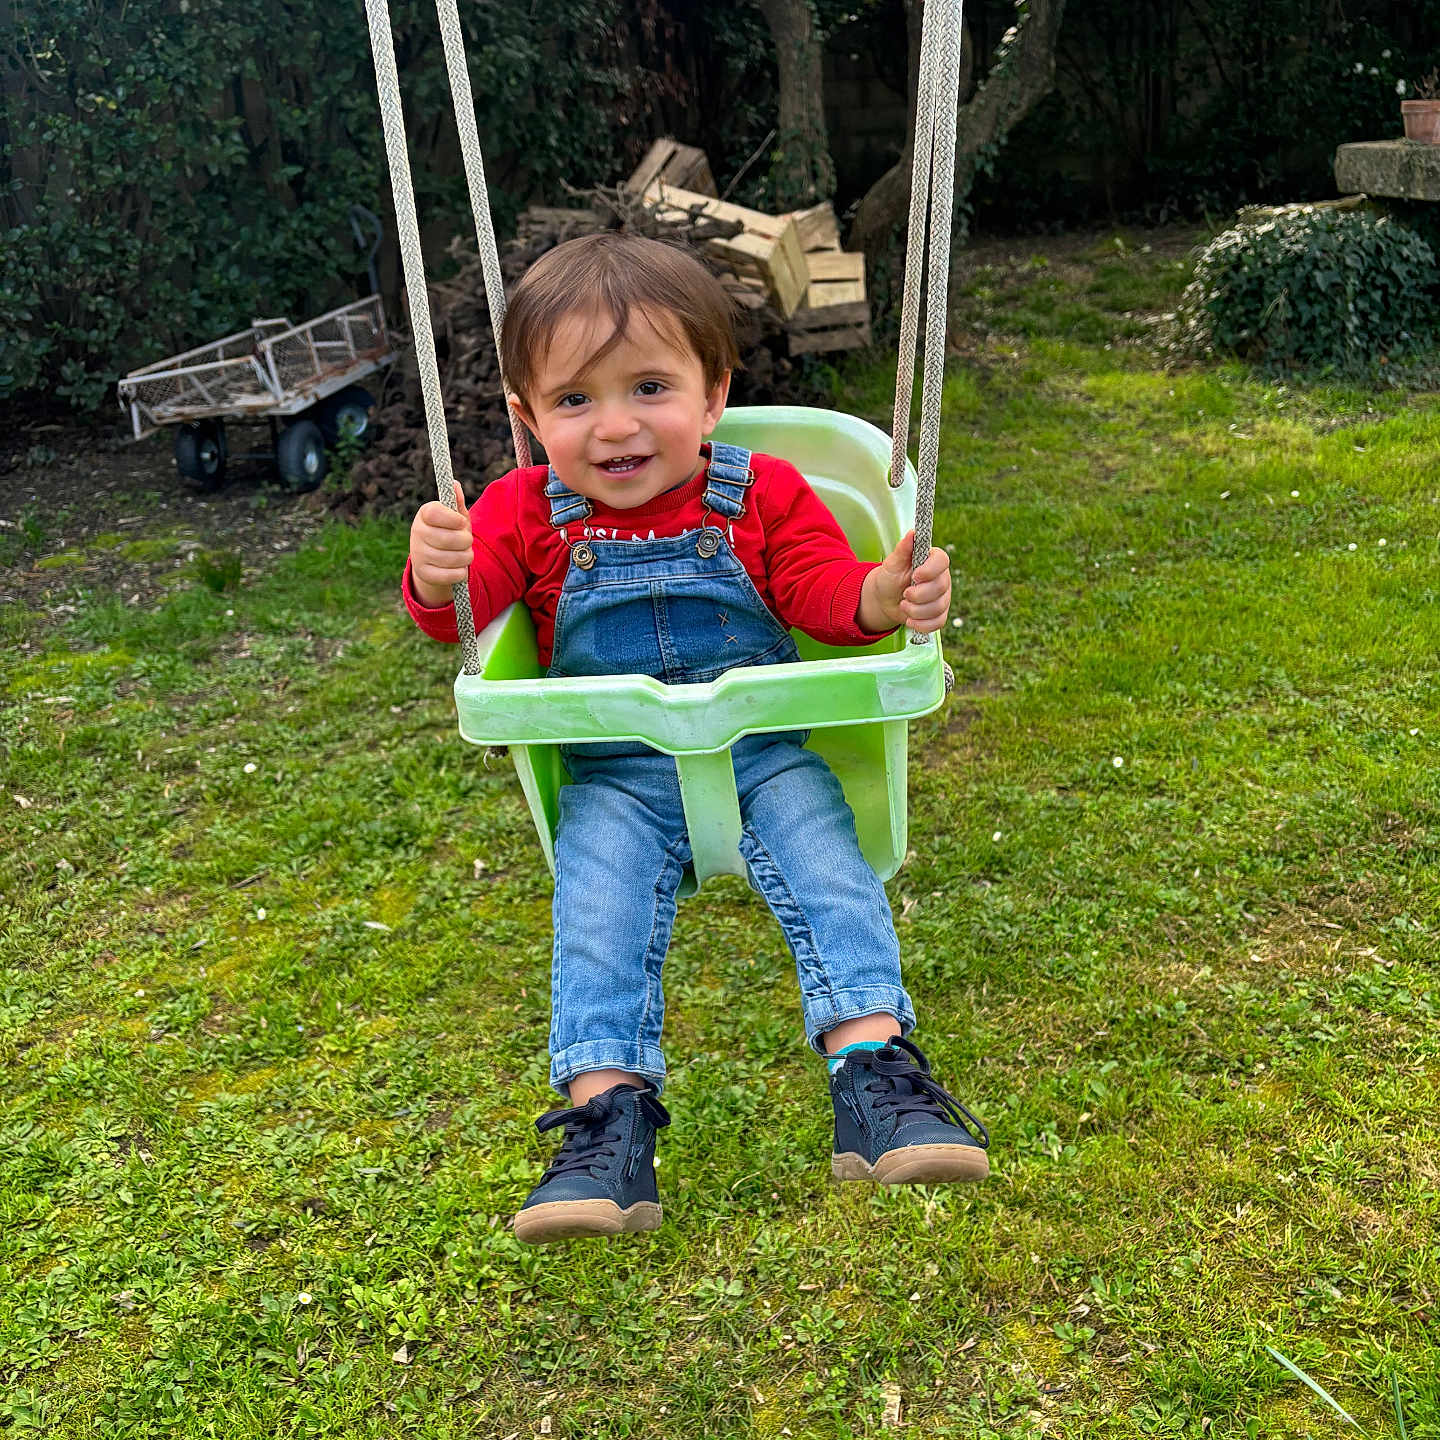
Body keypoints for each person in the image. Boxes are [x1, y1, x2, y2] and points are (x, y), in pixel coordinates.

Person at [404, 232, 988, 1245]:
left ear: (713, 395)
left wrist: (883, 593)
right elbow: (462, 618)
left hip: (761, 752)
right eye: (575, 401)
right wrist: (439, 574)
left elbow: (821, 599)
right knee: (597, 913)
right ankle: (604, 1125)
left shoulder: (760, 494)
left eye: (649, 389)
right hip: (614, 779)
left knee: (828, 866)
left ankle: (876, 1077)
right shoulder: (519, 513)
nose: (616, 426)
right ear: (526, 416)